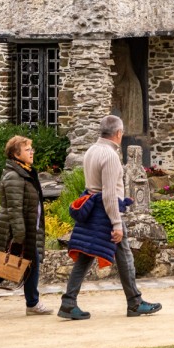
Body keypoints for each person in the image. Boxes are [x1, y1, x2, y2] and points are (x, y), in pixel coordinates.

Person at [58, 115, 162, 319]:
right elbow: (108, 194)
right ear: (119, 133)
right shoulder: (110, 155)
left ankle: (69, 302)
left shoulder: (91, 150)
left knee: (87, 255)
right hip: (106, 212)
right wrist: (116, 224)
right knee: (123, 255)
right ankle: (134, 302)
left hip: (92, 208)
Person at [0, 135, 50, 317]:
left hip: (27, 228)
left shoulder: (24, 172)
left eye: (31, 149)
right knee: (20, 263)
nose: (32, 152)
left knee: (23, 264)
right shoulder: (15, 175)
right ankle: (31, 303)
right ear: (16, 154)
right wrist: (19, 235)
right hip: (18, 230)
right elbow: (14, 208)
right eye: (27, 149)